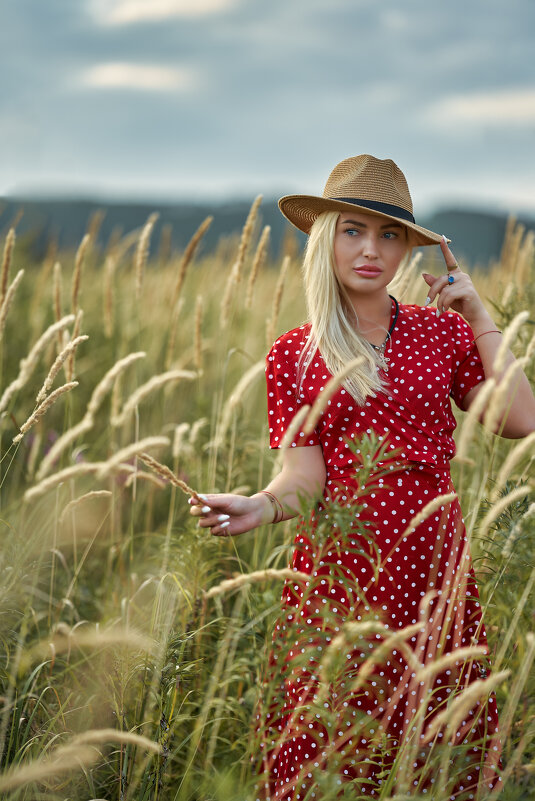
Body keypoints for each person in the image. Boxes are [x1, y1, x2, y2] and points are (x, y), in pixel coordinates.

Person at [189, 155, 535, 799]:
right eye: (353, 230)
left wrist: (481, 316)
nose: (371, 249)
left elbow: (519, 418)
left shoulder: (442, 331)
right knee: (332, 736)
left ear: (407, 246)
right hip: (339, 569)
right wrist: (261, 506)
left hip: (433, 566)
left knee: (437, 737)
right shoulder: (297, 350)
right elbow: (304, 475)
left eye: (389, 235)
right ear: (326, 238)